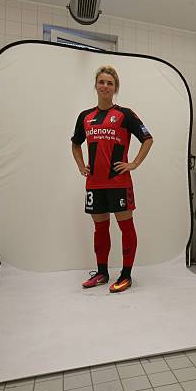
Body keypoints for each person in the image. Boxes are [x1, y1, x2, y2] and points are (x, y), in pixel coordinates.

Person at [71, 65, 153, 293]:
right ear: (96, 85)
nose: (105, 86)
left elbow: (147, 138)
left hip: (119, 182)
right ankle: (102, 273)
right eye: (102, 82)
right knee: (100, 229)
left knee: (126, 227)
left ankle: (126, 275)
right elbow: (75, 143)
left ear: (115, 88)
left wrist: (134, 163)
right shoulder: (85, 117)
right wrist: (81, 166)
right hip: (94, 183)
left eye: (110, 83)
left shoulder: (126, 114)